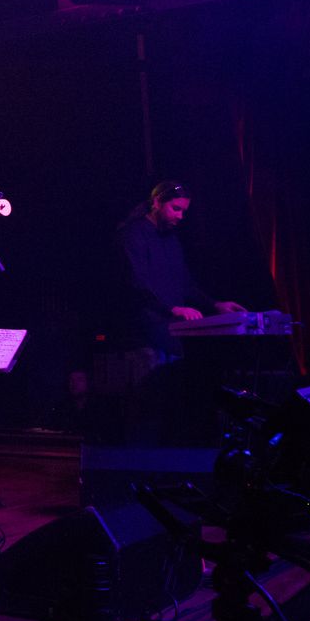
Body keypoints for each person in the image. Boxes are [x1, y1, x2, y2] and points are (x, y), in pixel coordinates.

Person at [110, 180, 245, 443]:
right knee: (146, 412)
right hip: (144, 338)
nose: (180, 216)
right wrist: (172, 308)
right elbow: (137, 282)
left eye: (184, 211)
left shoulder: (171, 239)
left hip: (171, 337)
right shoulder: (133, 234)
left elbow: (185, 283)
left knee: (167, 412)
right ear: (156, 202)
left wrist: (215, 304)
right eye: (176, 209)